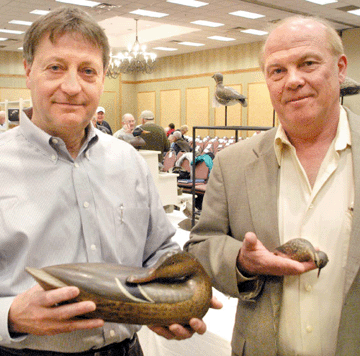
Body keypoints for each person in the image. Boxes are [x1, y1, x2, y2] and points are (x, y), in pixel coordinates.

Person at [0, 7, 220, 355]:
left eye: (88, 71)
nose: (72, 87)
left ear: (103, 78)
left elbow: (159, 250)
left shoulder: (128, 161)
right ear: (28, 71)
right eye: (55, 67)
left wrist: (173, 295)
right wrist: (9, 316)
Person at [185, 15, 359, 356]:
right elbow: (201, 246)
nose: (293, 80)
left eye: (308, 64)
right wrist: (242, 262)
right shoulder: (233, 163)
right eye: (277, 70)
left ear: (340, 69)